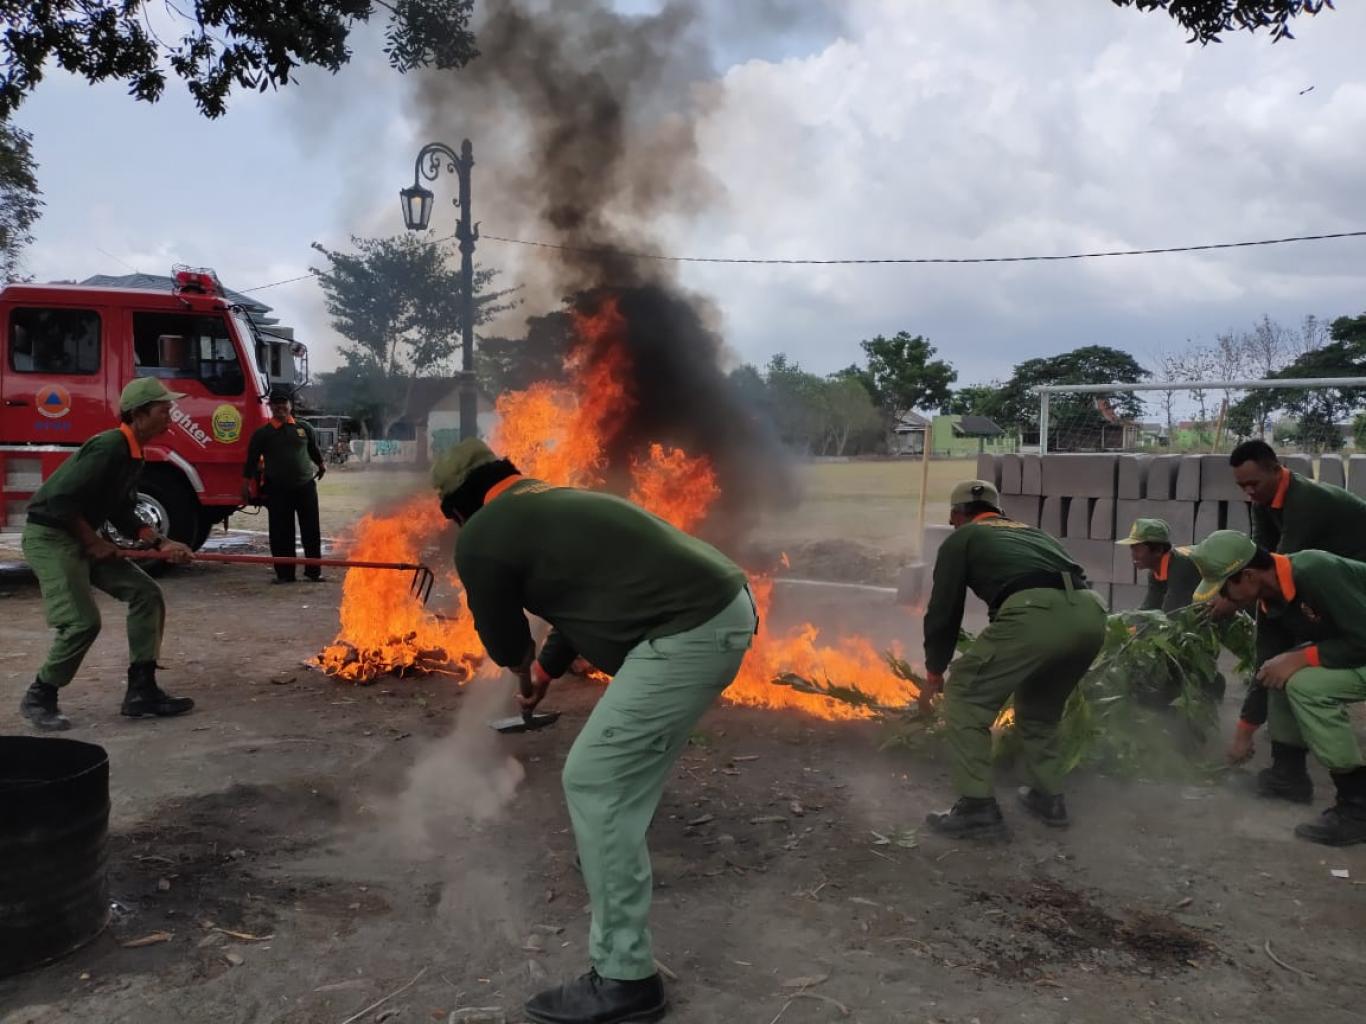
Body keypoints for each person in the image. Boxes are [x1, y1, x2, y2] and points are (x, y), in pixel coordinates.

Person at [432, 438, 757, 1024]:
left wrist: (518, 668)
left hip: (686, 633)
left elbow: (503, 637)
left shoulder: (482, 534)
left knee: (594, 779)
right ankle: (608, 856)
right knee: (621, 773)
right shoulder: (558, 500)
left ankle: (625, 978)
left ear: (458, 509)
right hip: (722, 611)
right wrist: (545, 671)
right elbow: (588, 603)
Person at [919, 480, 1107, 840]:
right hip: (1091, 614)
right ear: (998, 512)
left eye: (954, 519)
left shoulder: (962, 538)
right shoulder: (1032, 533)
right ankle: (1049, 797)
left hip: (1035, 613)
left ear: (956, 515)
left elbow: (944, 610)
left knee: (964, 695)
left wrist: (934, 670)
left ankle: (977, 810)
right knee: (1039, 709)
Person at [19, 378, 196, 731]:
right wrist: (92, 543)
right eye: (164, 411)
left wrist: (159, 541)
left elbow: (121, 509)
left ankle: (141, 691)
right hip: (51, 537)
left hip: (79, 534)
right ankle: (41, 694)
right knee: (82, 621)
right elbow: (60, 502)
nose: (171, 419)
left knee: (146, 594)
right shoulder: (108, 446)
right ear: (140, 414)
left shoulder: (134, 453)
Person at [1183, 530, 1366, 846]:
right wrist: (1243, 733)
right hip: (1355, 648)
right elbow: (1264, 667)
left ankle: (1357, 807)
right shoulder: (1271, 601)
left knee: (1307, 684)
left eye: (1224, 588)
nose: (1223, 599)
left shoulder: (1315, 570)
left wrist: (1302, 658)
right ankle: (1288, 776)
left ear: (1249, 576)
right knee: (1275, 671)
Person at [1224, 440, 1366, 787]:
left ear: (1276, 468)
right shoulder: (1263, 501)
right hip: (1334, 582)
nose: (1248, 492)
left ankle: (1355, 799)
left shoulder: (1307, 504)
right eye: (1241, 486)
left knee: (1299, 669)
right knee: (1278, 662)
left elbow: (1272, 569)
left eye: (1253, 483)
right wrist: (1246, 727)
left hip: (1354, 580)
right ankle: (1288, 772)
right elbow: (1258, 557)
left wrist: (1233, 599)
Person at [241, 391, 325, 583]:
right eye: (276, 404)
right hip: (278, 490)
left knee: (311, 530)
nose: (280, 407)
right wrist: (245, 484)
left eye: (283, 404)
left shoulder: (304, 428)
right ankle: (285, 575)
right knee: (281, 533)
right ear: (270, 407)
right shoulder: (263, 434)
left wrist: (321, 465)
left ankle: (314, 572)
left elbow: (313, 449)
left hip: (305, 487)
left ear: (290, 406)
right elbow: (251, 461)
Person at [1116, 517, 1200, 613]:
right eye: (1132, 549)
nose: (1133, 555)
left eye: (1138, 550)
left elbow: (1172, 613)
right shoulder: (1155, 572)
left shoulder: (1181, 566)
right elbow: (1150, 608)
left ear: (1158, 550)